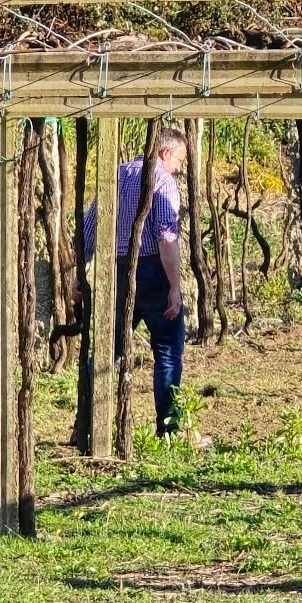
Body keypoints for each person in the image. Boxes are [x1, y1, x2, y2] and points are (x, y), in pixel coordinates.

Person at [81, 127, 188, 436]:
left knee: (106, 350)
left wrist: (80, 272)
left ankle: (86, 423)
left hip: (117, 271)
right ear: (165, 153)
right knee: (167, 350)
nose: (179, 168)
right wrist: (175, 288)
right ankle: (169, 430)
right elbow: (167, 239)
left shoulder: (116, 174)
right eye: (179, 159)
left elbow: (90, 227)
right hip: (153, 271)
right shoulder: (163, 181)